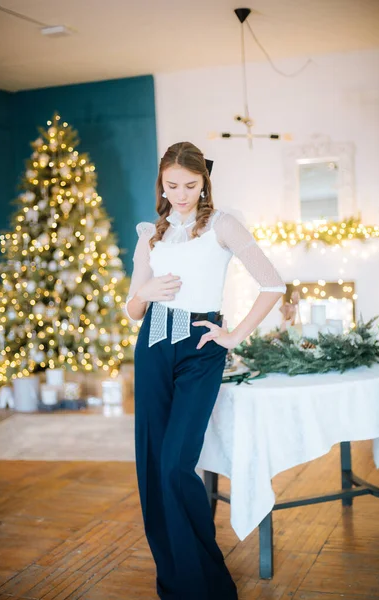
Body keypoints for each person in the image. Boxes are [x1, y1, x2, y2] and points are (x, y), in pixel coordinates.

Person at [125, 141, 287, 600]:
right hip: (153, 344)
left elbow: (273, 283)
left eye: (190, 185)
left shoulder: (221, 224)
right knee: (154, 467)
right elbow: (134, 308)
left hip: (200, 348)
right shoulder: (149, 234)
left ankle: (207, 584)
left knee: (177, 464)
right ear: (162, 184)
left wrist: (233, 336)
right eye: (172, 185)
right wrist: (148, 290)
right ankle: (176, 583)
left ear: (204, 182)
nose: (180, 194)